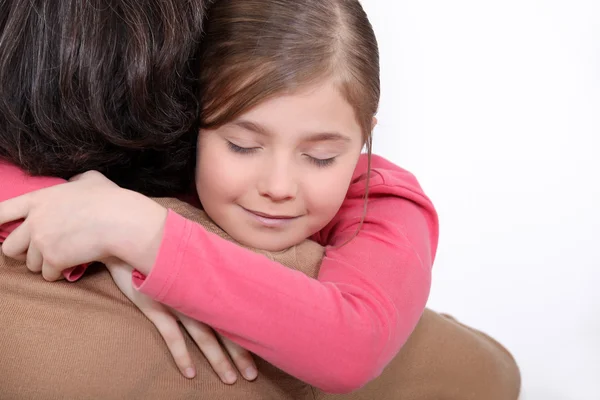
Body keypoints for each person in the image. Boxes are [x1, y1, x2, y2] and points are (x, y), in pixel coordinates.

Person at [0, 0, 521, 398]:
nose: (278, 185)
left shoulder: (387, 202)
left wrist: (141, 234)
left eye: (320, 157)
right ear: (193, 125)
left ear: (364, 136)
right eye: (243, 145)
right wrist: (82, 209)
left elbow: (352, 346)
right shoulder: (176, 161)